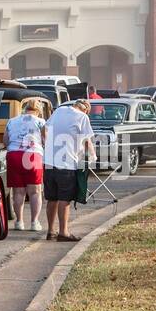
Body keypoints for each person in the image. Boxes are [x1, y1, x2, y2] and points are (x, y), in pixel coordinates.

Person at [42, 99, 95, 242]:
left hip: (48, 163)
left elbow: (45, 127)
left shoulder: (59, 110)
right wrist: (93, 156)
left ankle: (50, 231)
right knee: (64, 200)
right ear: (85, 110)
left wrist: (47, 145)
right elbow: (87, 140)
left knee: (52, 199)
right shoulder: (82, 117)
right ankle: (63, 232)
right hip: (66, 164)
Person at [4, 98, 48, 233]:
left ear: (25, 108)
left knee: (18, 192)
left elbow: (6, 141)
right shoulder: (41, 122)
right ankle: (34, 222)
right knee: (35, 192)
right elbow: (46, 140)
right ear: (38, 111)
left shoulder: (11, 121)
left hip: (14, 155)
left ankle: (19, 221)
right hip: (32, 155)